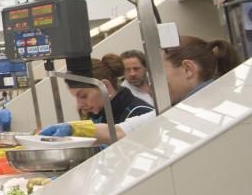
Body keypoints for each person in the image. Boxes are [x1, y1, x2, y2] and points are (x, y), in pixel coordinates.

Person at [42, 37, 241, 142]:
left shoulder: (217, 111)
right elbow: (120, 130)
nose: (152, 82)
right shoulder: (179, 109)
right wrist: (73, 128)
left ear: (188, 69)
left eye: (160, 72)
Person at [68, 54, 153, 125]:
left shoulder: (141, 114)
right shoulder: (95, 114)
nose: (79, 105)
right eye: (76, 97)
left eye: (83, 96)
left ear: (105, 87)